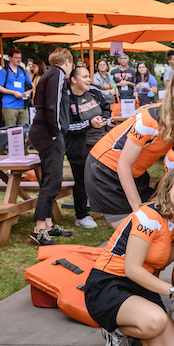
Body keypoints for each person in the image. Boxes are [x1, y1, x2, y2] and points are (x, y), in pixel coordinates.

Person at [84, 167, 174, 346]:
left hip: (141, 286)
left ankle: (136, 324)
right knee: (156, 322)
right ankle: (116, 329)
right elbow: (131, 269)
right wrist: (172, 290)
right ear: (166, 189)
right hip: (110, 283)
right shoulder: (149, 216)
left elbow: (168, 257)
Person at [86, 65, 174, 227]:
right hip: (106, 171)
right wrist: (137, 207)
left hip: (136, 174)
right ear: (171, 89)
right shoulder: (149, 120)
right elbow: (123, 165)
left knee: (160, 228)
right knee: (139, 231)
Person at [28, 47, 75, 246]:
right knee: (53, 179)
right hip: (49, 134)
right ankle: (39, 229)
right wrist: (56, 131)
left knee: (50, 177)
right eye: (71, 64)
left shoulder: (49, 74)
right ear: (67, 62)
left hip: (44, 131)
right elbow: (52, 106)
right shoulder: (57, 74)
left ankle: (47, 223)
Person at [65, 65, 110, 230]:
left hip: (101, 141)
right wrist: (89, 123)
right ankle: (81, 215)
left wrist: (104, 119)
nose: (89, 80)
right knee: (82, 180)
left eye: (88, 77)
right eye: (84, 77)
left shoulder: (94, 92)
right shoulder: (66, 99)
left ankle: (106, 208)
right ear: (74, 80)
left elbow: (107, 109)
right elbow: (67, 126)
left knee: (103, 176)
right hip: (78, 145)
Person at [0, 48, 32, 126]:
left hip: (22, 105)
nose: (18, 60)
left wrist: (28, 92)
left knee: (25, 129)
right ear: (10, 58)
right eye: (16, 58)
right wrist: (13, 92)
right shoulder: (4, 71)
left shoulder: (22, 70)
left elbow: (31, 85)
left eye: (20, 58)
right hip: (9, 106)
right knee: (11, 131)